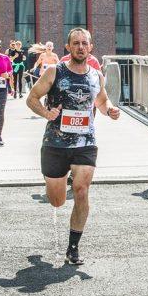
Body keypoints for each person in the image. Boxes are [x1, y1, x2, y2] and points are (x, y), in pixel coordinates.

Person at [26, 27, 120, 266]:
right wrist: (46, 113)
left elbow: (101, 100)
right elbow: (32, 98)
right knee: (57, 200)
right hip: (55, 143)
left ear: (91, 47)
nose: (80, 47)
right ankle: (54, 184)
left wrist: (110, 109)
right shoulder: (54, 72)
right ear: (68, 48)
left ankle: (73, 248)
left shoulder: (96, 76)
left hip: (85, 142)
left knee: (81, 190)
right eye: (76, 43)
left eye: (84, 43)